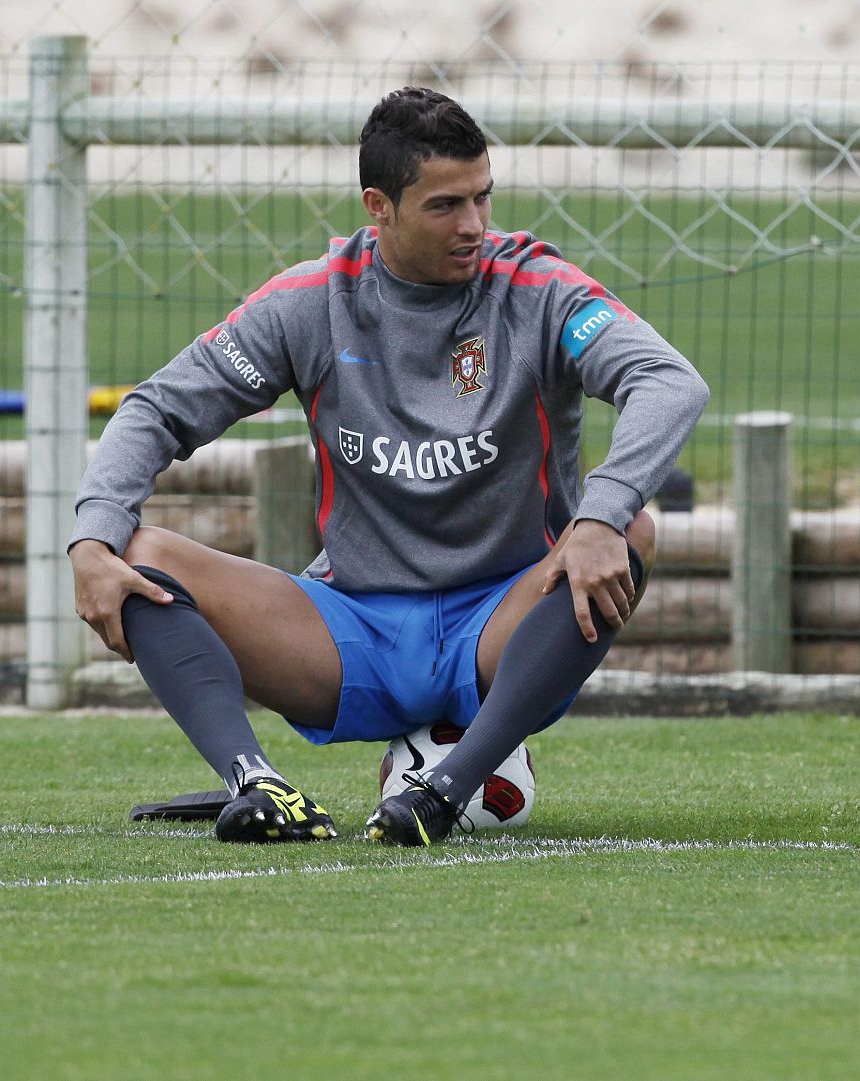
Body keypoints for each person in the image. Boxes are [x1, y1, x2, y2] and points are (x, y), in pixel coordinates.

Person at [69, 87, 709, 847]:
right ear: (379, 205)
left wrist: (600, 512)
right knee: (133, 553)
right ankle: (258, 783)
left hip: (503, 628)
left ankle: (445, 787)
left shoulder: (540, 290)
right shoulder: (310, 302)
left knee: (633, 525)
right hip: (352, 633)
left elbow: (670, 382)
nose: (474, 225)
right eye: (445, 206)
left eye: (483, 197)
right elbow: (153, 410)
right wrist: (89, 540)